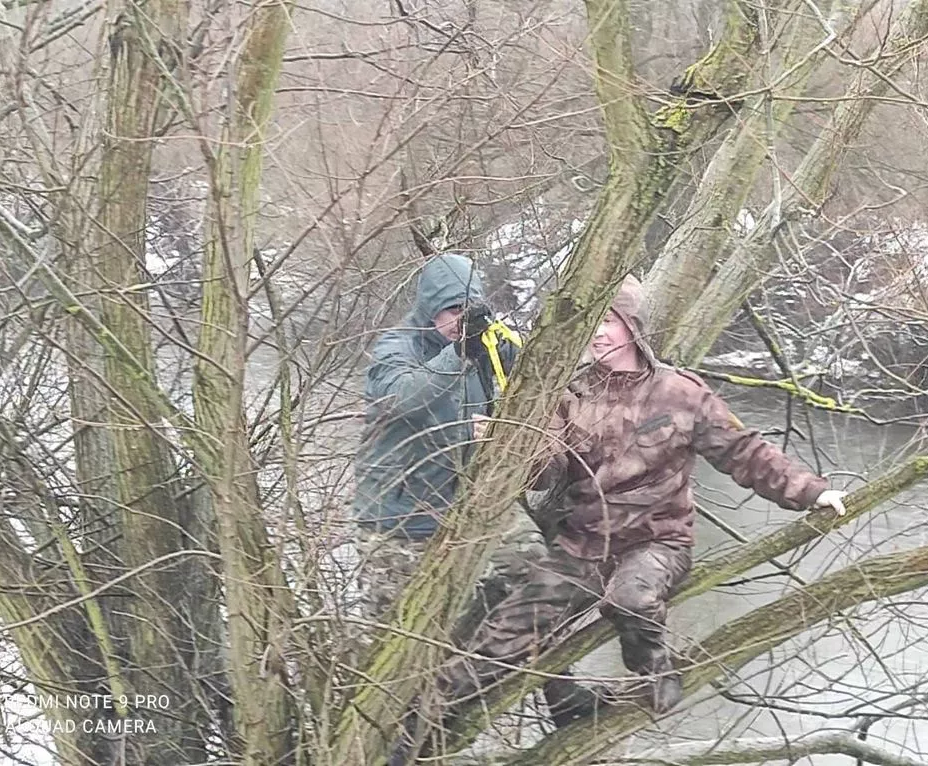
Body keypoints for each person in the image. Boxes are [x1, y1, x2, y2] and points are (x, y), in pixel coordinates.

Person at [440, 273, 848, 721]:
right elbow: (544, 473)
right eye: (593, 322)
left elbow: (744, 452)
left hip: (657, 541)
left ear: (633, 324)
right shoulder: (570, 394)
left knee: (631, 599)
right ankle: (422, 726)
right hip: (582, 545)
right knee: (503, 635)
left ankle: (653, 666)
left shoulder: (681, 393)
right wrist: (507, 446)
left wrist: (812, 491)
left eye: (609, 321)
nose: (597, 333)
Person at [352, 252, 544, 638]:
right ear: (430, 308)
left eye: (468, 311)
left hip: (466, 502)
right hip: (399, 520)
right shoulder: (395, 349)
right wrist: (458, 355)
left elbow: (533, 370)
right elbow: (404, 399)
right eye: (452, 310)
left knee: (533, 567)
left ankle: (491, 658)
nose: (460, 320)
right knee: (392, 635)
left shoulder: (484, 345)